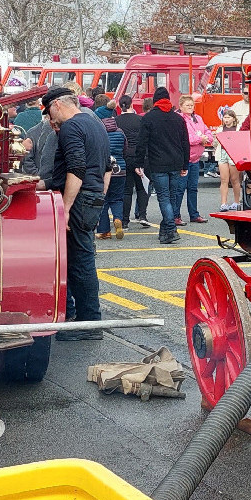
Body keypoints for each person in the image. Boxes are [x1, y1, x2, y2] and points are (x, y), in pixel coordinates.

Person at [42, 86, 109, 333]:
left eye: (49, 111)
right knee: (81, 259)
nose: (50, 119)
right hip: (91, 196)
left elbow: (76, 169)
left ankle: (89, 323)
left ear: (58, 104)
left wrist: (66, 208)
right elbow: (106, 167)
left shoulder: (70, 127)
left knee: (80, 263)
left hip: (79, 199)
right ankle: (85, 319)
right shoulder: (95, 123)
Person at [133, 86, 191, 245]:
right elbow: (185, 143)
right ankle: (165, 232)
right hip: (176, 163)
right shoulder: (178, 119)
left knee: (163, 198)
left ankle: (170, 229)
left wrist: (138, 163)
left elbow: (141, 142)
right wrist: (185, 164)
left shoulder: (149, 118)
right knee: (171, 197)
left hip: (158, 164)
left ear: (155, 101)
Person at [115, 96, 152, 229]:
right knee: (142, 188)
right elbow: (146, 140)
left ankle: (124, 220)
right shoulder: (140, 120)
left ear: (119, 106)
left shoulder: (116, 121)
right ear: (132, 105)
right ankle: (142, 215)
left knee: (126, 190)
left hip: (124, 157)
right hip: (141, 157)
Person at [177, 95, 215, 223]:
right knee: (180, 189)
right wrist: (201, 139)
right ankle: (176, 215)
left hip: (196, 159)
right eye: (187, 105)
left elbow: (207, 131)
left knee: (193, 188)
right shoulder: (180, 119)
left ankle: (194, 214)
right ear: (181, 106)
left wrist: (208, 138)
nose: (190, 107)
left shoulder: (198, 118)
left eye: (192, 105)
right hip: (184, 160)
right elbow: (186, 138)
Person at [96, 103, 127, 240]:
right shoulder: (120, 132)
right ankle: (118, 218)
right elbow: (125, 149)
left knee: (103, 199)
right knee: (117, 198)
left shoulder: (98, 132)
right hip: (120, 168)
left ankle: (104, 231)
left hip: (104, 169)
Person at [214, 103, 246, 212]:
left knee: (235, 179)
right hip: (222, 153)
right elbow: (215, 143)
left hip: (233, 154)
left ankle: (236, 201)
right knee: (224, 179)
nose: (226, 119)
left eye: (228, 117)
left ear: (233, 118)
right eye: (225, 117)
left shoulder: (238, 128)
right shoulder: (219, 129)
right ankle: (223, 203)